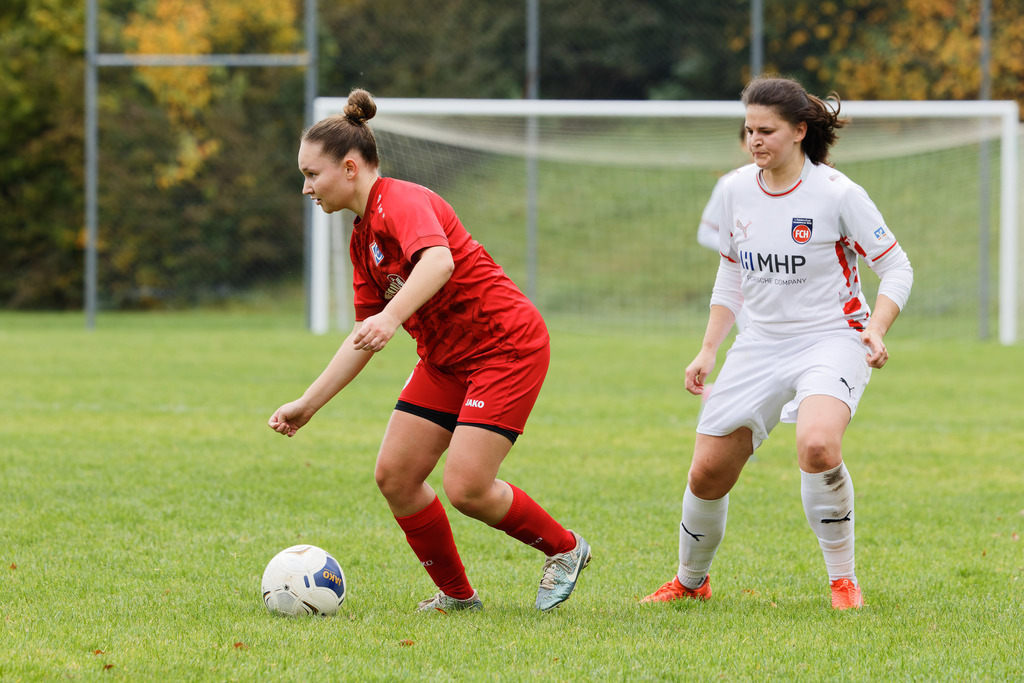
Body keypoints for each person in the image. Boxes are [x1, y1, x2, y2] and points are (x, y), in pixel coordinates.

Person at [268, 88, 591, 613]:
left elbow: (438, 263)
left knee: (466, 487)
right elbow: (362, 338)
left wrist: (391, 317)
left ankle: (565, 548)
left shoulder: (402, 201)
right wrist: (307, 404)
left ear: (350, 167)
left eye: (311, 174)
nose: (305, 188)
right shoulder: (360, 239)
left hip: (504, 346)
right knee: (395, 476)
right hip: (446, 359)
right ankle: (458, 597)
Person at [642, 75, 913, 610]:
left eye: (766, 130)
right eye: (748, 131)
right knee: (706, 471)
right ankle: (691, 583)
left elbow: (896, 267)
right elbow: (731, 275)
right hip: (758, 344)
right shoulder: (735, 190)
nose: (755, 140)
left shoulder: (838, 194)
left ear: (799, 131)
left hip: (832, 339)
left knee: (817, 445)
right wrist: (708, 349)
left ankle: (843, 581)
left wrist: (875, 328)